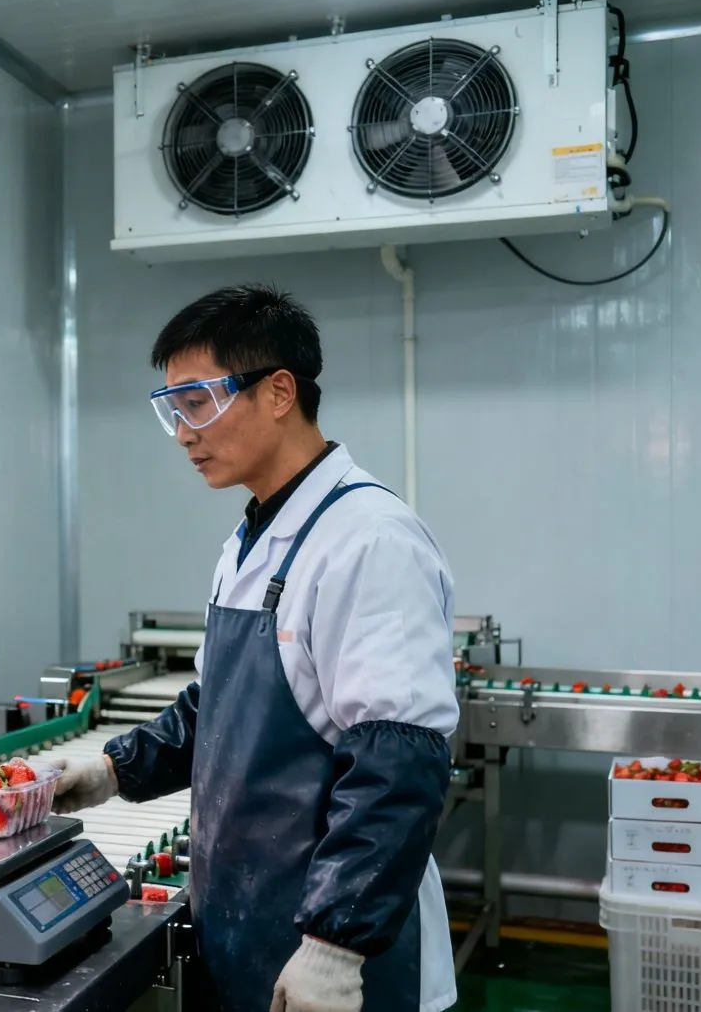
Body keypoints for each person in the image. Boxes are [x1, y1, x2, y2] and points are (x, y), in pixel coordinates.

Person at [49, 284, 459, 1012]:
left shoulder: (368, 539)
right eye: (170, 407)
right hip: (243, 923)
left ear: (278, 392)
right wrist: (112, 768)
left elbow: (398, 762)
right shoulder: (251, 539)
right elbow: (219, 711)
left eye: (198, 400)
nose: (182, 430)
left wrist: (337, 946)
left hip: (342, 961)